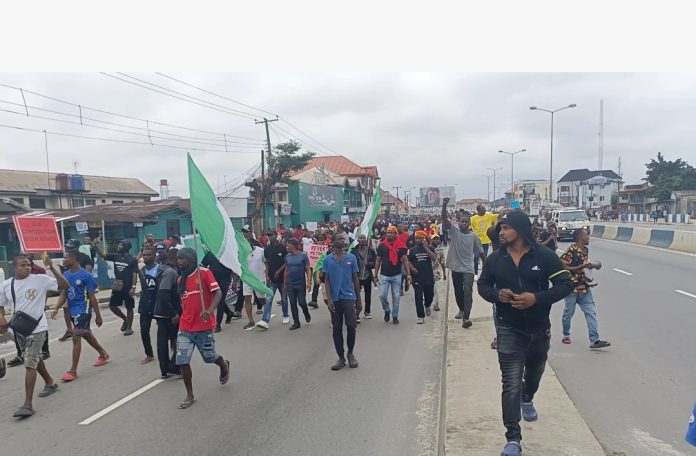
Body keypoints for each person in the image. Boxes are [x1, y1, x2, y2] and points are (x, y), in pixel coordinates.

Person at [477, 210, 573, 456]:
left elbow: (565, 284)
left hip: (539, 328)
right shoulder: (495, 259)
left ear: (519, 230)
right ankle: (513, 438)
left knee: (535, 372)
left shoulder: (545, 256)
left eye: (506, 228)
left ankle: (528, 397)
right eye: (500, 228)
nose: (501, 232)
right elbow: (483, 286)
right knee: (510, 383)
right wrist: (498, 295)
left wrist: (536, 299)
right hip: (508, 328)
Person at [0, 254, 68, 418]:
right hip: (20, 328)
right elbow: (1, 304)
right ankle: (50, 383)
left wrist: (51, 267)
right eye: (23, 265)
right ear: (14, 268)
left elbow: (65, 285)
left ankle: (28, 404)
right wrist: (1, 317)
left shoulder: (40, 279)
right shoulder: (6, 285)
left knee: (29, 362)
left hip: (38, 328)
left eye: (29, 265)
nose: (27, 267)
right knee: (34, 358)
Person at [174, 248, 230, 409]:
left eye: (181, 259)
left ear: (190, 259)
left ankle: (223, 365)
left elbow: (218, 293)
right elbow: (182, 301)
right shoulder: (180, 280)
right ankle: (189, 394)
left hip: (203, 326)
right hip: (185, 327)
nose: (179, 262)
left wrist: (210, 310)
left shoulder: (204, 273)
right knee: (182, 360)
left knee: (210, 357)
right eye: (177, 259)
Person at [50, 250, 109, 382]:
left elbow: (92, 297)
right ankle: (103, 354)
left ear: (74, 258)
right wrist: (56, 308)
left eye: (66, 258)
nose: (63, 260)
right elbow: (64, 294)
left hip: (84, 310)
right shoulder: (66, 274)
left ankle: (72, 370)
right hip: (73, 311)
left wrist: (98, 315)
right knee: (85, 333)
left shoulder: (86, 275)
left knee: (76, 337)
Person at [560, 229, 611, 349]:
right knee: (568, 313)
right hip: (572, 288)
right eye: (586, 235)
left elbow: (587, 267)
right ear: (580, 238)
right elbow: (562, 265)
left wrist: (588, 275)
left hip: (584, 287)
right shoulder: (570, 250)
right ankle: (566, 335)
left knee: (591, 312)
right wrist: (581, 266)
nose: (588, 237)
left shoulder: (585, 250)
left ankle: (595, 340)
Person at [442, 198, 485, 328]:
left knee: (468, 291)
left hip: (468, 268)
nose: (464, 224)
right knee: (458, 291)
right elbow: (444, 219)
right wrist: (444, 205)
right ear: (459, 223)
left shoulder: (474, 237)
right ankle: (461, 309)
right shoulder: (454, 232)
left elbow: (481, 252)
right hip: (455, 267)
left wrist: (486, 266)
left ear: (469, 224)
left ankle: (466, 318)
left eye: (466, 222)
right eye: (462, 222)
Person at [323, 235, 361, 370]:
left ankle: (350, 353)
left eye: (343, 239)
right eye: (339, 239)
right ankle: (340, 357)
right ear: (333, 242)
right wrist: (329, 299)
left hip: (349, 296)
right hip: (335, 298)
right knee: (336, 328)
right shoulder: (328, 259)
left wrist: (359, 299)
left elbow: (355, 278)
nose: (343, 241)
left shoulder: (352, 258)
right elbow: (326, 280)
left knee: (351, 325)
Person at [94, 237, 138, 336]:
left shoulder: (132, 259)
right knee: (113, 306)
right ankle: (125, 319)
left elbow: (134, 274)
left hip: (128, 287)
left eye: (121, 245)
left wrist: (133, 287)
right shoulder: (115, 256)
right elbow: (103, 255)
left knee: (129, 307)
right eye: (119, 244)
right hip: (118, 286)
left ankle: (129, 328)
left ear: (126, 247)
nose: (118, 246)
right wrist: (97, 247)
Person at [153, 249, 182, 379]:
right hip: (168, 312)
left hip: (160, 311)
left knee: (163, 341)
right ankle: (173, 366)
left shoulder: (162, 270)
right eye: (180, 259)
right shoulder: (170, 272)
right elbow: (164, 293)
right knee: (180, 339)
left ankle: (164, 369)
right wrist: (173, 313)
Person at [373, 226, 411, 325]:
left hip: (396, 275)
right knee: (382, 295)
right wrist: (375, 274)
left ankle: (395, 316)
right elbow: (378, 261)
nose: (389, 234)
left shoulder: (401, 246)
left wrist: (408, 275)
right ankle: (386, 310)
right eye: (387, 232)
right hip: (384, 275)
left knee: (396, 297)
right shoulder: (382, 246)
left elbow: (405, 260)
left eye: (391, 232)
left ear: (395, 234)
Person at [275, 238, 311, 330]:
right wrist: (285, 283)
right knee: (292, 303)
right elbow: (286, 270)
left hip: (300, 283)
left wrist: (309, 282)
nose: (286, 247)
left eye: (288, 245)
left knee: (302, 302)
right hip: (290, 284)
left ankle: (306, 312)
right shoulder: (287, 257)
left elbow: (307, 269)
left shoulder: (303, 256)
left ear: (293, 246)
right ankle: (296, 322)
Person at [261, 230, 289, 327]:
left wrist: (278, 271)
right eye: (268, 235)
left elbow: (286, 262)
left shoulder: (283, 248)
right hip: (272, 279)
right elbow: (267, 263)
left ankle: (285, 315)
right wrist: (267, 275)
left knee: (284, 299)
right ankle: (265, 320)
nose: (269, 237)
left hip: (282, 279)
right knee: (268, 299)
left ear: (276, 236)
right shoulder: (267, 249)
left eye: (271, 235)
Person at [408, 230, 437, 324]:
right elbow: (408, 261)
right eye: (416, 238)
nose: (417, 240)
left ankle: (427, 305)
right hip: (417, 277)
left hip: (428, 276)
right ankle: (420, 316)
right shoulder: (412, 250)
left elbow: (433, 257)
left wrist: (425, 246)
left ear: (424, 239)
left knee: (430, 295)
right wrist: (412, 268)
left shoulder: (430, 248)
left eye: (420, 238)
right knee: (418, 297)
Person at [201, 250, 234, 332]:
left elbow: (234, 266)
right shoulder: (211, 253)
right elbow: (203, 265)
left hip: (225, 279)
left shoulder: (227, 253)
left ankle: (218, 324)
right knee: (217, 300)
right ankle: (229, 313)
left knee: (221, 300)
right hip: (213, 280)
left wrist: (235, 280)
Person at [137, 247, 159, 363]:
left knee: (165, 328)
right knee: (144, 330)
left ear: (154, 256)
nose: (145, 257)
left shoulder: (160, 269)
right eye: (144, 255)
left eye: (148, 255)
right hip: (145, 304)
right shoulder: (142, 270)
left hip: (158, 303)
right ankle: (149, 354)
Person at [243, 238, 267, 330]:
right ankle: (251, 321)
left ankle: (266, 314)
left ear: (251, 243)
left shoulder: (261, 251)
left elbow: (266, 263)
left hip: (259, 279)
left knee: (261, 299)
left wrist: (267, 276)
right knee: (247, 299)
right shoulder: (242, 253)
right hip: (247, 279)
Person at [350, 234, 376, 320]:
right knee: (356, 296)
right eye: (360, 238)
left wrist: (368, 264)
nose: (362, 239)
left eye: (364, 238)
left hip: (367, 275)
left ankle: (367, 312)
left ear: (366, 240)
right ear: (357, 240)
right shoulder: (353, 252)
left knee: (368, 295)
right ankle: (356, 313)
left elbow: (375, 263)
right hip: (357, 276)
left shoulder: (370, 250)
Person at [470, 205, 498, 275]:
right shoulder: (473, 218)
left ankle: (484, 272)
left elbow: (500, 215)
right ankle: (475, 273)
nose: (484, 210)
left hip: (486, 240)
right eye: (483, 209)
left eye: (485, 209)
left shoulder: (489, 216)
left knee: (484, 257)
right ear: (478, 210)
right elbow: (470, 227)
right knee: (476, 258)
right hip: (477, 241)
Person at [430, 234, 446, 312]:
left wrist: (444, 273)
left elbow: (442, 261)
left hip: (435, 271)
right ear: (431, 240)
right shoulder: (428, 248)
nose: (436, 240)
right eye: (434, 239)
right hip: (427, 271)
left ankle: (435, 303)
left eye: (437, 238)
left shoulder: (440, 250)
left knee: (435, 287)